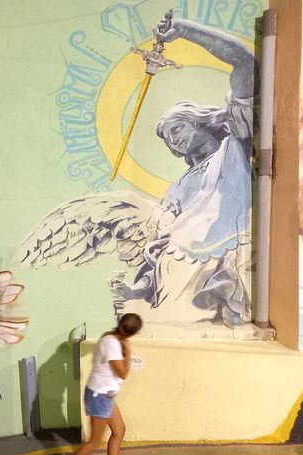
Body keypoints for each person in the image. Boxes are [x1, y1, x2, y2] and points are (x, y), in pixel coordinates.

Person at [115, 18, 255, 326]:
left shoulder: (234, 146)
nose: (173, 140)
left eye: (176, 129)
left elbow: (245, 62)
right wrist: (135, 290)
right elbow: (158, 249)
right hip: (178, 272)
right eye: (168, 139)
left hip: (226, 264)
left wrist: (185, 30)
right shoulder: (178, 188)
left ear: (197, 120)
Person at [54, 313, 142, 455]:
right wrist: (128, 352)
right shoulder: (113, 343)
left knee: (119, 430)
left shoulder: (111, 337)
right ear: (132, 333)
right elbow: (123, 373)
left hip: (105, 395)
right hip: (99, 396)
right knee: (94, 440)